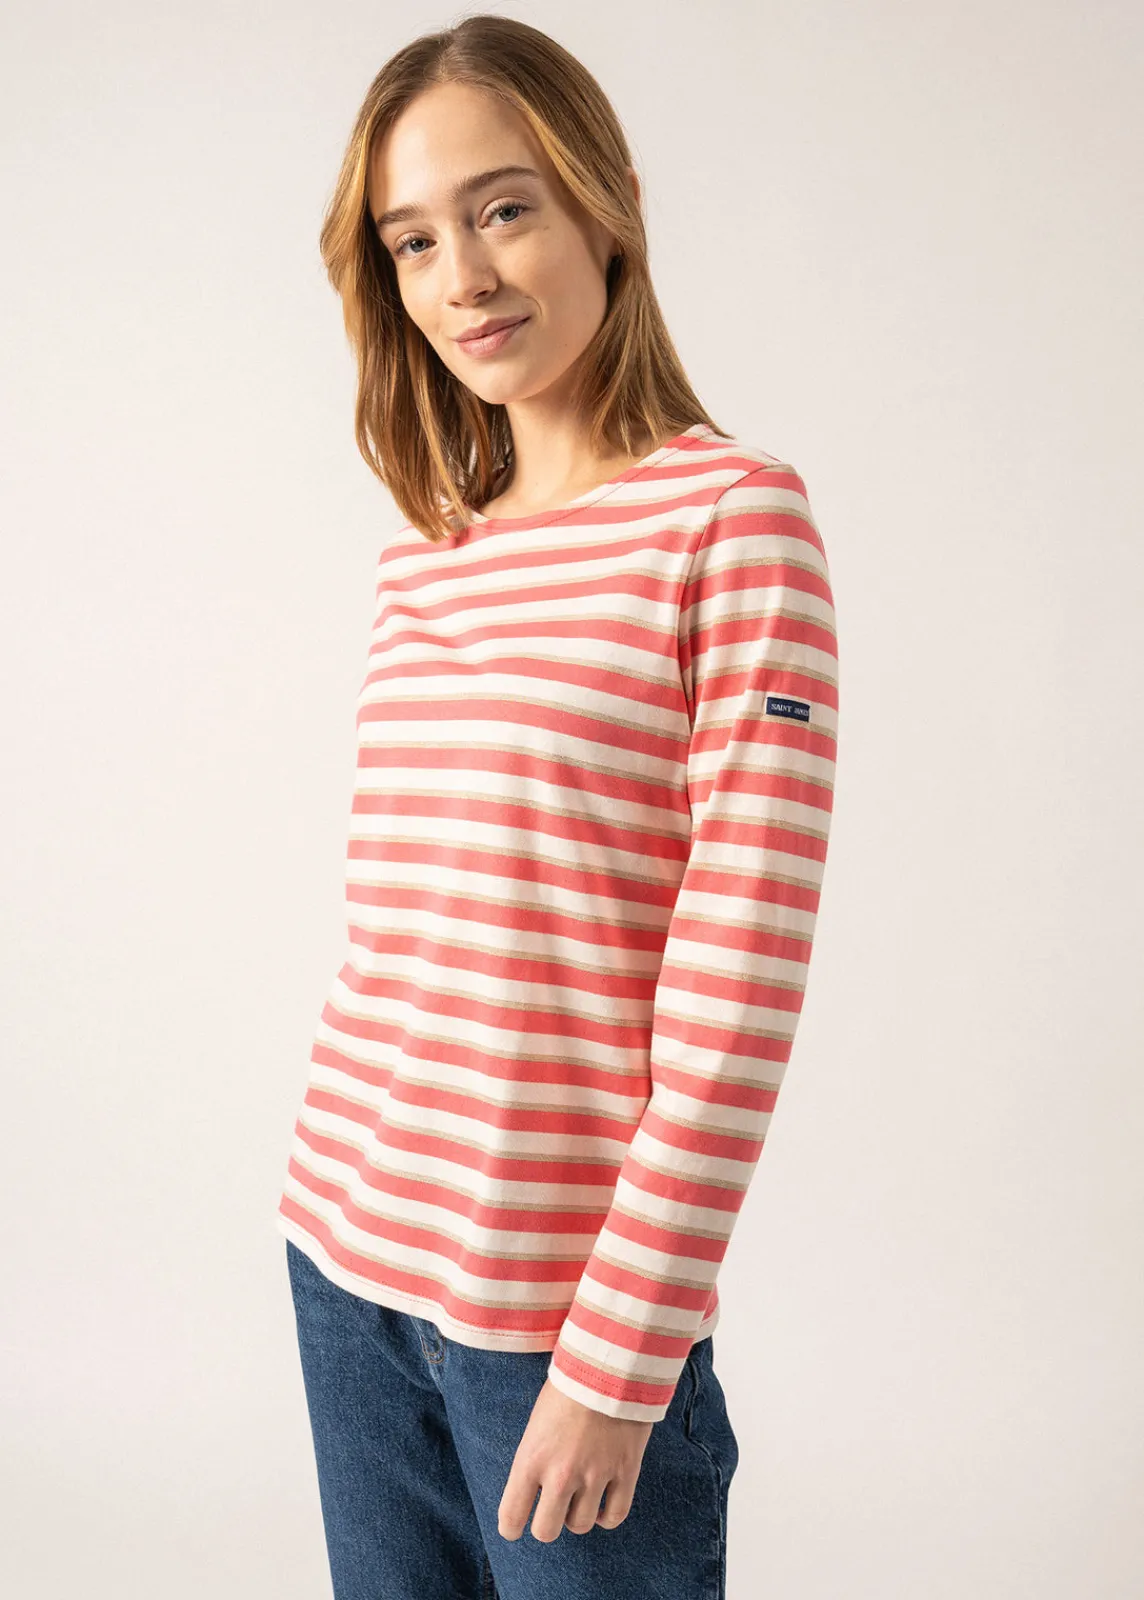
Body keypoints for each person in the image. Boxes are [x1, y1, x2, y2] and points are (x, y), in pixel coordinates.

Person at [276, 15, 839, 1599]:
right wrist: (338, 1240)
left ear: (609, 203)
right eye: (414, 240)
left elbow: (736, 987)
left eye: (505, 208)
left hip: (561, 1323)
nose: (464, 275)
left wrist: (620, 1358)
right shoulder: (429, 554)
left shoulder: (732, 521)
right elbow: (409, 932)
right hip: (347, 1259)